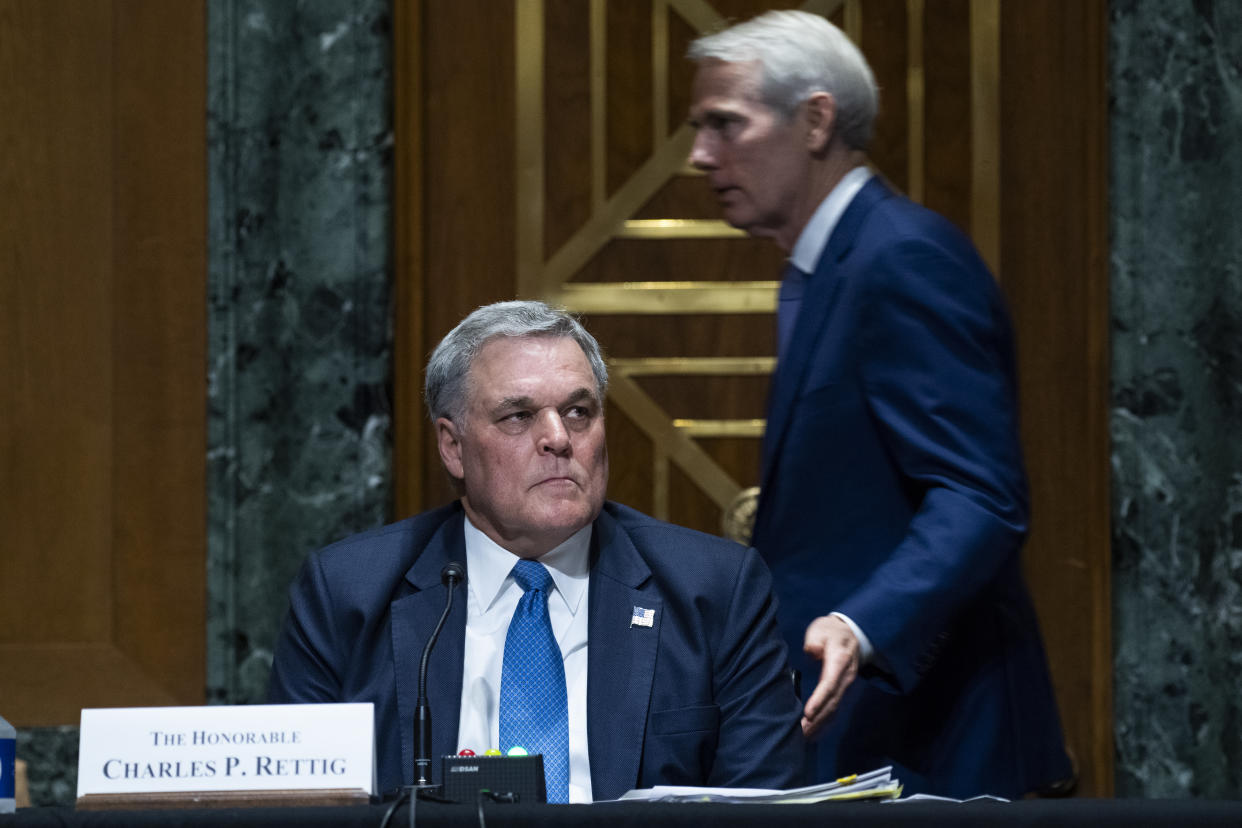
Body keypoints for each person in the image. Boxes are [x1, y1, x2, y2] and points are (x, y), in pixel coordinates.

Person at [687, 11, 1072, 799]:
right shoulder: (831, 265)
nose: (700, 155)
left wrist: (864, 626)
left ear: (816, 119)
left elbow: (979, 495)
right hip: (869, 736)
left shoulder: (902, 258)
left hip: (941, 739)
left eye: (726, 125)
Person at [268, 300, 803, 802]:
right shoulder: (347, 593)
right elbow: (293, 806)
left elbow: (763, 807)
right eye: (518, 416)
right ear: (452, 446)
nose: (558, 438)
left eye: (577, 412)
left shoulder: (715, 590)